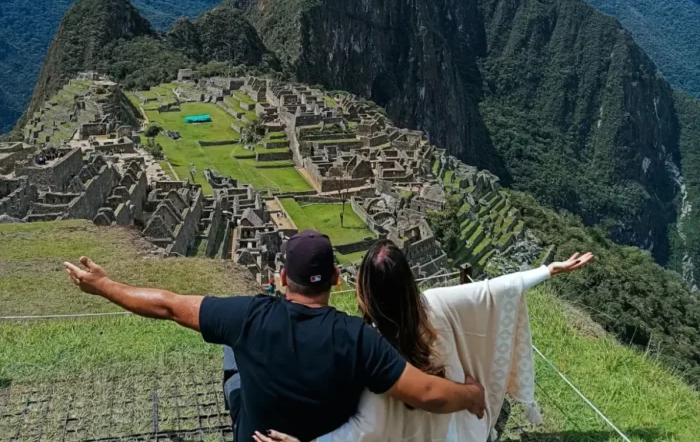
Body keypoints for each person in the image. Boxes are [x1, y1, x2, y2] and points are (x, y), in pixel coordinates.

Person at [64, 230, 485, 442]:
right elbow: (427, 393)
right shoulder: (357, 339)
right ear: (337, 280)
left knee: (232, 347)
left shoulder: (249, 315)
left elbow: (168, 305)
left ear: (282, 277)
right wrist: (471, 394)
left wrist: (105, 285)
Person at [253, 242, 593, 442]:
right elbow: (494, 290)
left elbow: (363, 430)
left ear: (364, 289)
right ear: (408, 280)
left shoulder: (372, 353)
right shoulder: (438, 304)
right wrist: (549, 270)